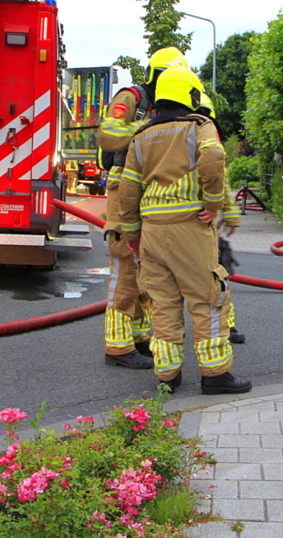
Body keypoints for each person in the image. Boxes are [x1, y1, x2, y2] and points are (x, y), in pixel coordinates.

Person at [118, 66, 252, 396]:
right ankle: (215, 374)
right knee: (208, 299)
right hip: (189, 228)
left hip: (151, 232)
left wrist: (133, 235)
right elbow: (214, 154)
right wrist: (213, 201)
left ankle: (167, 376)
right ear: (191, 95)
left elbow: (128, 188)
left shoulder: (142, 135)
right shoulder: (199, 125)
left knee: (162, 304)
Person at [97, 46, 188, 369]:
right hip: (122, 189)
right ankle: (117, 349)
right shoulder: (131, 97)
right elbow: (108, 135)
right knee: (125, 270)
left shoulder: (161, 106)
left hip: (143, 193)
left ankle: (138, 339)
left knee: (143, 272)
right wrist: (149, 130)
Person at [196, 94, 246, 344]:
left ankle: (226, 326)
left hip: (202, 224)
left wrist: (229, 210)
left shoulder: (205, 135)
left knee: (218, 279)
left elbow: (218, 177)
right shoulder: (178, 133)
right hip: (190, 224)